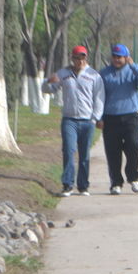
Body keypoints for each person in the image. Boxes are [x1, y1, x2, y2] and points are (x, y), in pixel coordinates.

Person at [42, 45, 105, 197]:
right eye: (76, 57)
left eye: (82, 57)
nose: (79, 61)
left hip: (87, 120)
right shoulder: (64, 74)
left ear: (86, 58)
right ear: (72, 58)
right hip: (69, 119)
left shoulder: (93, 75)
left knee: (84, 155)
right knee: (69, 151)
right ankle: (68, 185)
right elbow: (48, 89)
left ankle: (83, 186)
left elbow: (99, 98)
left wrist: (95, 118)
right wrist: (47, 81)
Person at [98, 43, 138, 194]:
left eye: (120, 57)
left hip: (130, 117)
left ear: (126, 57)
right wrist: (99, 117)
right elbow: (98, 97)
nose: (116, 60)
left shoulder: (133, 72)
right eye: (114, 56)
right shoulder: (104, 74)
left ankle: (133, 177)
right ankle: (116, 183)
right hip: (110, 118)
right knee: (113, 152)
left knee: (134, 145)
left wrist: (133, 66)